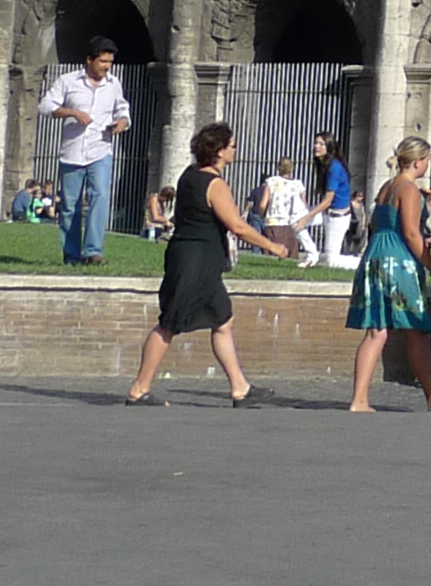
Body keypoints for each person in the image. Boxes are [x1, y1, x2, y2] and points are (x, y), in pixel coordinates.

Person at [130, 124, 297, 406]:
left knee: (222, 319)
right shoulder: (215, 184)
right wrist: (273, 246)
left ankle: (240, 387)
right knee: (170, 322)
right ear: (219, 150)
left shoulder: (189, 174)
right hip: (195, 261)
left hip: (195, 258)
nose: (235, 150)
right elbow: (237, 225)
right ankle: (139, 389)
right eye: (231, 145)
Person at [346, 138, 431, 413]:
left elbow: (380, 222)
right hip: (399, 262)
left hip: (376, 254)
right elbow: (411, 233)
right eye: (427, 159)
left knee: (376, 330)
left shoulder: (387, 188)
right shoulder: (409, 189)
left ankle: (359, 398)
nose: (428, 164)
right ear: (418, 161)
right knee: (416, 330)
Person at [40, 38, 135, 264]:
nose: (107, 66)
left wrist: (122, 122)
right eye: (103, 61)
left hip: (100, 150)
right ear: (90, 60)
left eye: (110, 62)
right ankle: (71, 256)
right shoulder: (68, 81)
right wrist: (73, 112)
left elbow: (123, 109)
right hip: (72, 152)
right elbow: (45, 106)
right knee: (70, 206)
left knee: (100, 196)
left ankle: (93, 251)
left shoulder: (113, 84)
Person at [305, 130, 356, 267]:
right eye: (315, 143)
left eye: (321, 144)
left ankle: (362, 263)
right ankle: (312, 254)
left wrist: (306, 217)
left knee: (332, 261)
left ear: (329, 147)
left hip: (338, 217)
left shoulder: (334, 167)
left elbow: (328, 200)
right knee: (296, 220)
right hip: (326, 213)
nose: (316, 146)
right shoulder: (323, 165)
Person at [254, 158, 310, 259]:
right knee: (290, 256)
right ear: (292, 168)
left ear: (278, 167)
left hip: (272, 223)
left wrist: (261, 215)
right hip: (291, 224)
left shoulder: (271, 181)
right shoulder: (298, 184)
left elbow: (262, 204)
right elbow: (304, 206)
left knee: (270, 255)